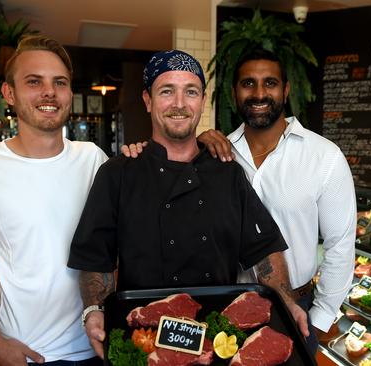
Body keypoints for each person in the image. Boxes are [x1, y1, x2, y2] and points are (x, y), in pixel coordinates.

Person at [67, 50, 309, 360]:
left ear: (203, 100)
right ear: (148, 99)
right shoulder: (118, 173)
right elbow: (94, 258)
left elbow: (264, 249)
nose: (180, 104)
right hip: (145, 339)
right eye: (167, 91)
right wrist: (94, 309)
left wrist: (287, 302)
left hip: (218, 341)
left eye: (190, 92)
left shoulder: (228, 172)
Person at [125, 48, 356, 354]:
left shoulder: (324, 156)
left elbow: (340, 244)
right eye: (248, 84)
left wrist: (319, 318)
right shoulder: (214, 152)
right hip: (224, 309)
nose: (259, 93)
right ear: (234, 93)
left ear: (285, 90)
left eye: (270, 83)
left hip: (294, 305)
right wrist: (144, 153)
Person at [0, 35, 108, 366]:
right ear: (9, 93)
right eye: (34, 82)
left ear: (70, 93)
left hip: (93, 346)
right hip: (22, 353)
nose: (49, 92)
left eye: (60, 82)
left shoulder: (93, 159)